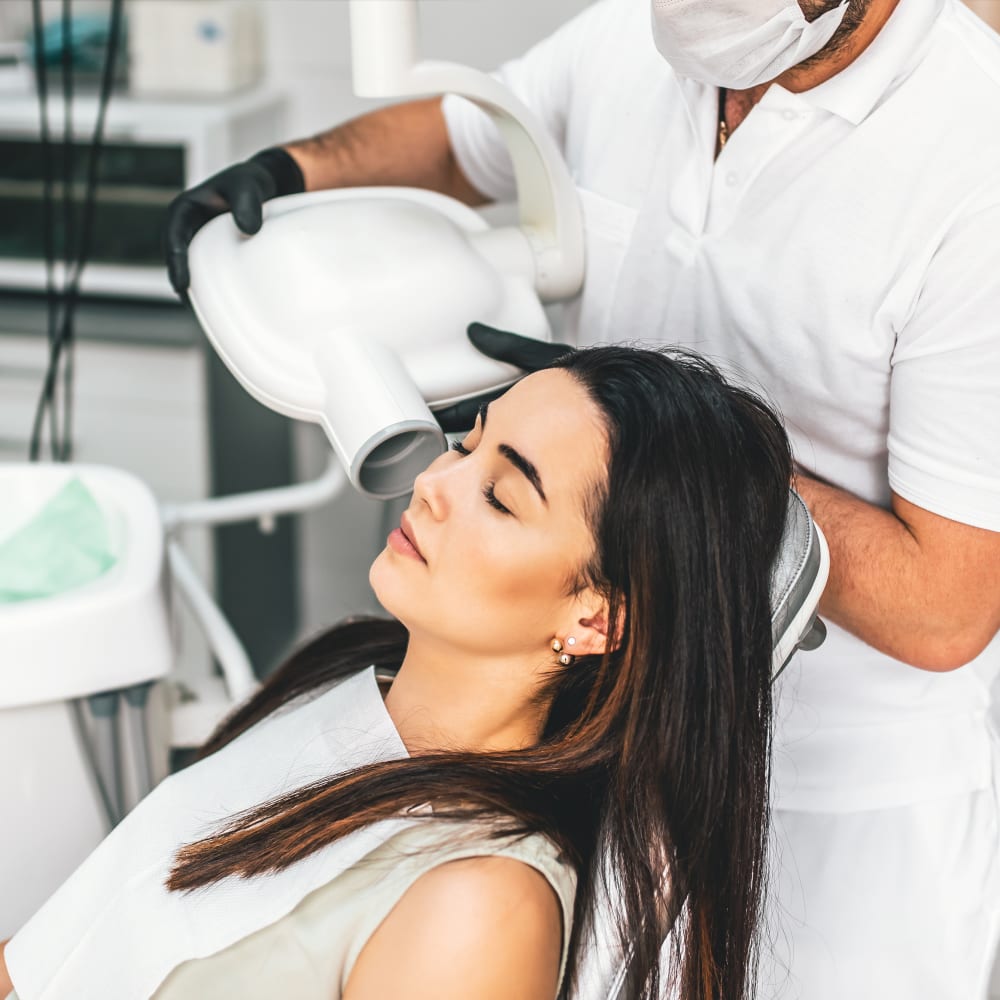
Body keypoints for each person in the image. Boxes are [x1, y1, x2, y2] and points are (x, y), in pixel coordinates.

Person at [162, 1, 1000, 997]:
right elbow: (474, 135)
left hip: (840, 802)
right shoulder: (656, 35)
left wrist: (676, 445)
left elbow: (945, 605)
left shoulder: (970, 159)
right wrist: (297, 169)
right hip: (608, 744)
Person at [1, 347, 794, 1000]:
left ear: (596, 619)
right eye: (467, 442)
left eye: (502, 497)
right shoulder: (344, 677)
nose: (434, 483)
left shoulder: (480, 907)